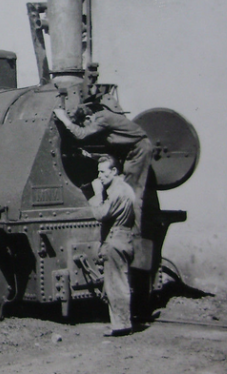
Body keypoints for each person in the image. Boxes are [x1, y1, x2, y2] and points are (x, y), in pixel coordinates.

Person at [53, 101, 152, 235]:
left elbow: (82, 134)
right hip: (130, 152)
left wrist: (64, 118)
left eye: (83, 124)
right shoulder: (103, 119)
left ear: (88, 118)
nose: (87, 128)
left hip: (137, 152)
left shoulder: (102, 118)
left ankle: (132, 232)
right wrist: (92, 156)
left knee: (132, 192)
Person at [89, 155, 136, 337]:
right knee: (120, 280)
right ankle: (122, 322)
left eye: (103, 172)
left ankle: (121, 325)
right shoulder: (126, 189)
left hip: (115, 239)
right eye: (98, 172)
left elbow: (101, 213)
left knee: (116, 283)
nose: (99, 176)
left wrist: (97, 194)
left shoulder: (117, 192)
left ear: (114, 171)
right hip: (124, 238)